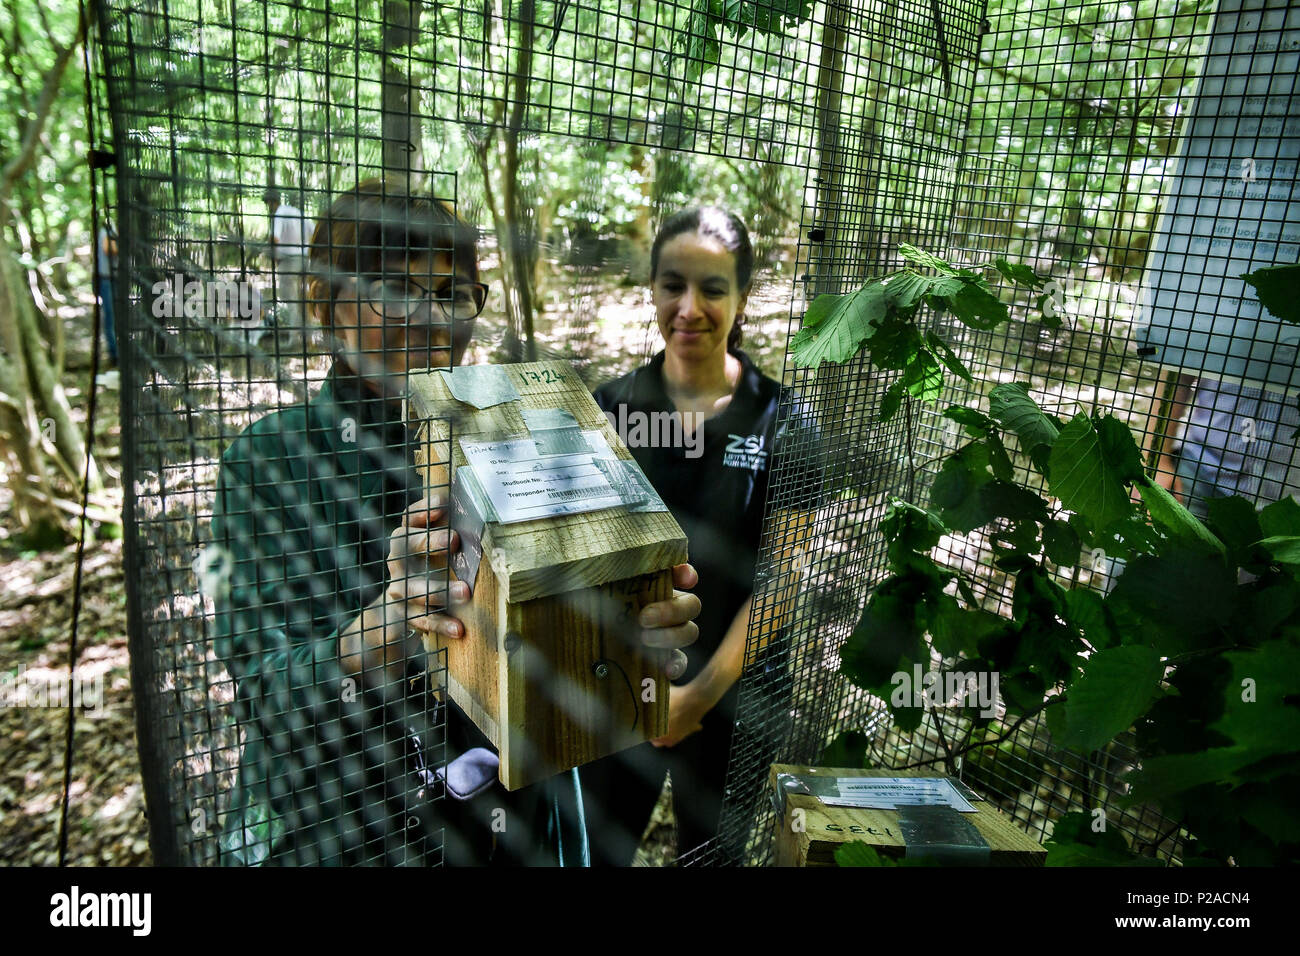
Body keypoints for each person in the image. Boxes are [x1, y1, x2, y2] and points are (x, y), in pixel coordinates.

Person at [211, 179, 701, 865]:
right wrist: (388, 625)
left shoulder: (513, 431)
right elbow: (266, 694)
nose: (433, 320)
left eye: (451, 292)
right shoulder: (268, 463)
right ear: (325, 303)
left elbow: (565, 646)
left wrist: (629, 626)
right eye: (393, 290)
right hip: (343, 831)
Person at [580, 206, 821, 865]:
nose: (689, 308)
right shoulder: (610, 410)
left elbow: (783, 578)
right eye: (672, 285)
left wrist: (699, 697)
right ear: (652, 289)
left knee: (711, 860)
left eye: (713, 289)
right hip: (623, 687)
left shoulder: (783, 421)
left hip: (736, 697)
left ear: (741, 298)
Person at [263, 189, 314, 328]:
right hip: (304, 260)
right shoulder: (297, 212)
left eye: (268, 204)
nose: (269, 208)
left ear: (272, 203)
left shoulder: (279, 213)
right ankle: (308, 337)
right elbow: (314, 232)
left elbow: (275, 238)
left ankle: (294, 337)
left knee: (290, 300)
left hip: (289, 261)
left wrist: (274, 257)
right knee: (304, 298)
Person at [96, 224, 118, 366]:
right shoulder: (108, 231)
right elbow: (108, 249)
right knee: (111, 317)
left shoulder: (111, 230)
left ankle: (115, 353)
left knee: (113, 317)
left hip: (111, 279)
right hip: (106, 279)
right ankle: (114, 354)